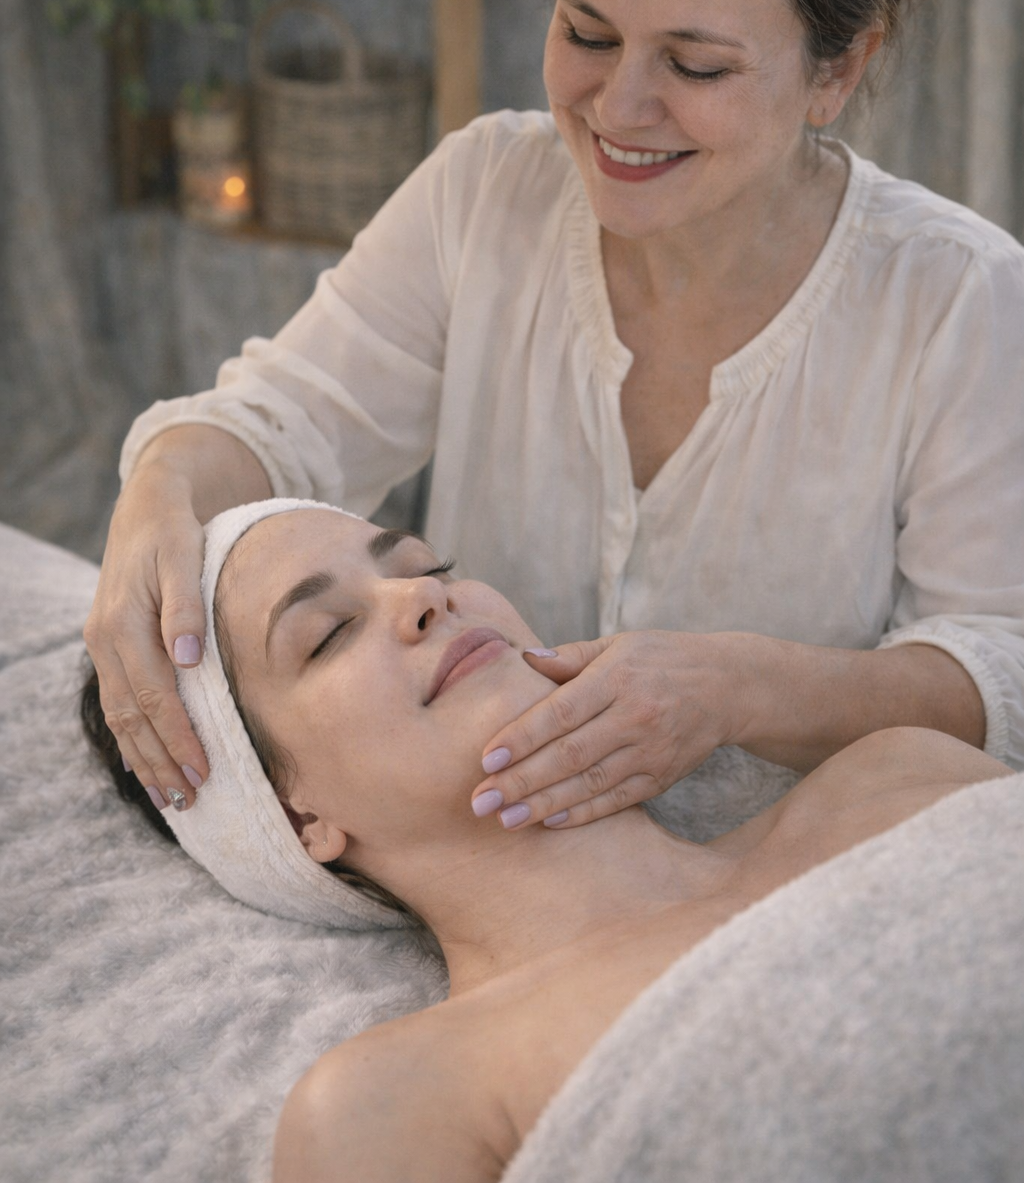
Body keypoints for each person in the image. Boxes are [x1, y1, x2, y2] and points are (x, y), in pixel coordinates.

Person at [84, 0, 1024, 848]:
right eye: (585, 34)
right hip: (510, 877)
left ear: (838, 69)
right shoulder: (486, 194)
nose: (618, 109)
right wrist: (161, 489)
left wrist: (742, 689)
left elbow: (1001, 676)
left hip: (800, 898)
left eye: (696, 64)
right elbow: (281, 425)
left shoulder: (956, 301)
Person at [81, 500, 1010, 1183]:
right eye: (327, 635)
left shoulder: (900, 776)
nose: (419, 597)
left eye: (427, 566)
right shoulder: (394, 1104)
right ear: (296, 822)